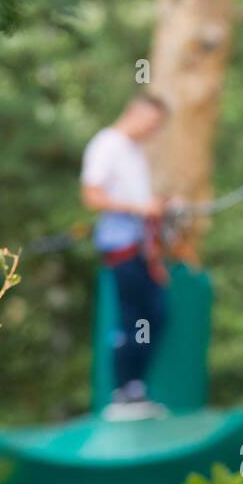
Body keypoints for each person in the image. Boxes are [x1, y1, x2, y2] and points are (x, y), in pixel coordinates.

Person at [80, 93, 171, 419]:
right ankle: (124, 392)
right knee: (133, 318)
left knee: (155, 314)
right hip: (120, 246)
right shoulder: (107, 144)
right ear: (136, 113)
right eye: (152, 124)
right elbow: (92, 196)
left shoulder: (133, 151)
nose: (153, 131)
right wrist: (140, 207)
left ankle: (134, 389)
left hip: (141, 247)